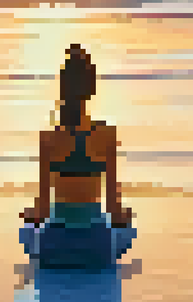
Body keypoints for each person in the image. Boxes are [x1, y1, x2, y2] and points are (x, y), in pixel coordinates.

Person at [20, 44, 135, 270]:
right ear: (91, 90)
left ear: (62, 88)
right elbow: (113, 208)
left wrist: (31, 215)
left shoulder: (49, 138)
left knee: (27, 231)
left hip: (55, 247)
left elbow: (43, 209)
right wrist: (125, 217)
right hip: (96, 247)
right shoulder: (106, 135)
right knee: (127, 230)